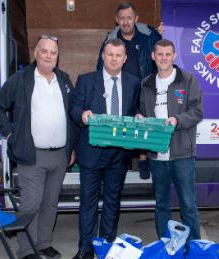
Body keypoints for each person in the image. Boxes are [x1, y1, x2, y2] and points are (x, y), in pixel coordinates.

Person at [0, 35, 75, 259]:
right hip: (31, 155)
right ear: (36, 53)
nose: (49, 55)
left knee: (50, 203)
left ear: (58, 56)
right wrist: (10, 134)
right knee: (30, 204)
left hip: (59, 155)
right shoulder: (22, 79)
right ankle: (27, 250)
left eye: (53, 52)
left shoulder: (64, 80)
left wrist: (71, 148)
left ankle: (44, 243)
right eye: (44, 51)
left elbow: (71, 116)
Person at [70, 38, 140, 259]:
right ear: (103, 55)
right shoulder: (86, 80)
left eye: (118, 55)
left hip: (119, 154)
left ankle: (107, 247)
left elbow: (136, 108)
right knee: (88, 203)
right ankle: (86, 249)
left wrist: (139, 115)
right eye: (110, 54)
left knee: (112, 201)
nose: (114, 58)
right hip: (91, 153)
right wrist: (82, 115)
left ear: (125, 58)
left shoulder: (133, 82)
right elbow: (74, 108)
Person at [138, 39, 203, 243]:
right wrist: (140, 117)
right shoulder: (146, 83)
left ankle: (194, 248)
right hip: (157, 154)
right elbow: (141, 108)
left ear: (174, 56)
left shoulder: (187, 80)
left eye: (168, 54)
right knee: (162, 204)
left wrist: (177, 120)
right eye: (160, 54)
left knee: (188, 204)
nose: (163, 58)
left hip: (182, 153)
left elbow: (197, 111)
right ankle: (165, 245)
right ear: (153, 56)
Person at [97, 1, 161, 179]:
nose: (126, 22)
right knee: (124, 123)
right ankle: (122, 160)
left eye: (129, 18)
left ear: (136, 18)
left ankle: (142, 158)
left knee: (143, 121)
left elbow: (163, 52)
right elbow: (99, 66)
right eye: (122, 18)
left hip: (146, 86)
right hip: (121, 89)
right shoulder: (110, 39)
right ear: (117, 20)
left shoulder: (149, 34)